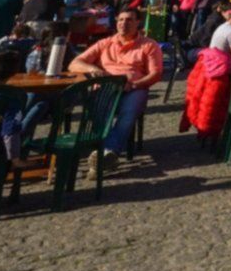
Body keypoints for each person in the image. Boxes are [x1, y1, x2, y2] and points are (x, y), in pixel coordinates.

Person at [67, 10, 163, 175]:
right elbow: (74, 64)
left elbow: (155, 73)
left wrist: (134, 84)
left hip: (134, 88)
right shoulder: (105, 43)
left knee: (128, 112)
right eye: (121, 20)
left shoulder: (149, 45)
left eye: (129, 20)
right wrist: (93, 69)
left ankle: (107, 152)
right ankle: (107, 155)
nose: (124, 23)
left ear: (138, 23)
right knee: (97, 111)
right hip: (107, 87)